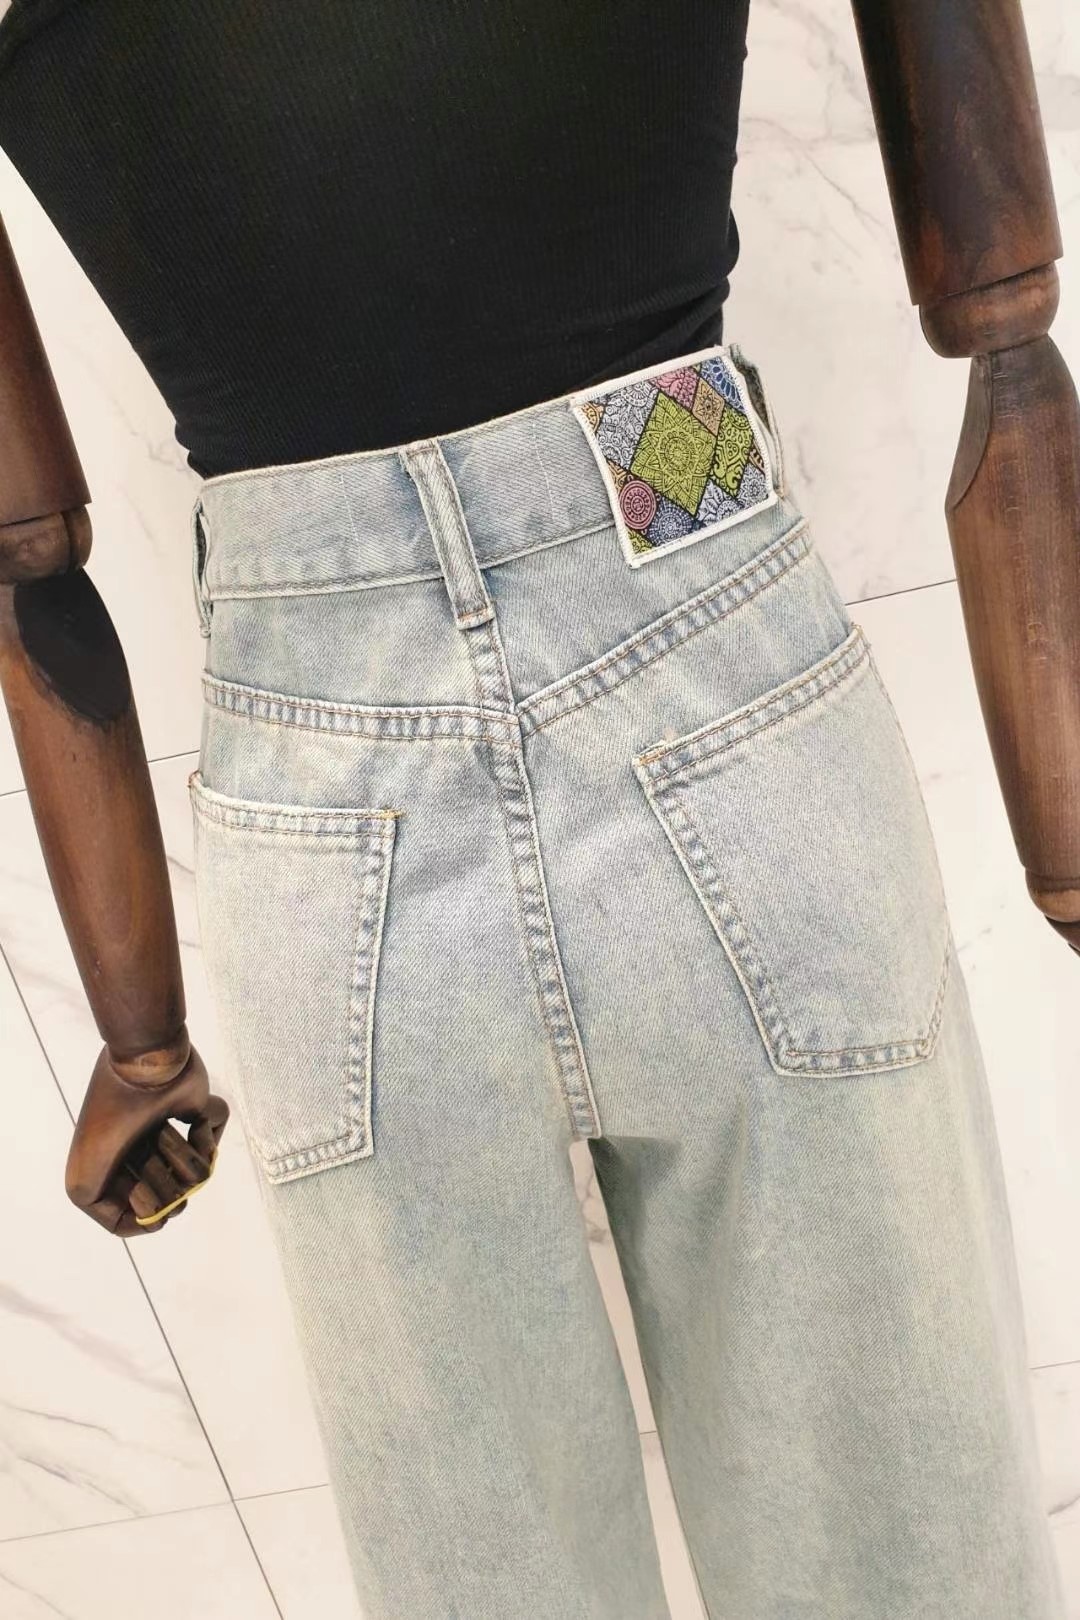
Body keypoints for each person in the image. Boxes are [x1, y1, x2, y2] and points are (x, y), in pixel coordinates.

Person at [0, 4, 1066, 1616]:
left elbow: (25, 556)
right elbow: (1006, 313)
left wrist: (141, 1038)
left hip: (339, 736)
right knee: (903, 1561)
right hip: (681, 598)